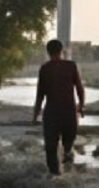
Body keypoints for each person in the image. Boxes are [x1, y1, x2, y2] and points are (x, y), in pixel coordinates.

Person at [33, 39, 86, 176]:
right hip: (68, 112)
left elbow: (40, 95)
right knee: (68, 143)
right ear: (62, 51)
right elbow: (80, 89)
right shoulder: (71, 66)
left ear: (48, 52)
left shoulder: (45, 69)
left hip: (52, 113)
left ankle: (55, 175)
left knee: (51, 147)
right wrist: (81, 106)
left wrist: (35, 115)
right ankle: (68, 172)